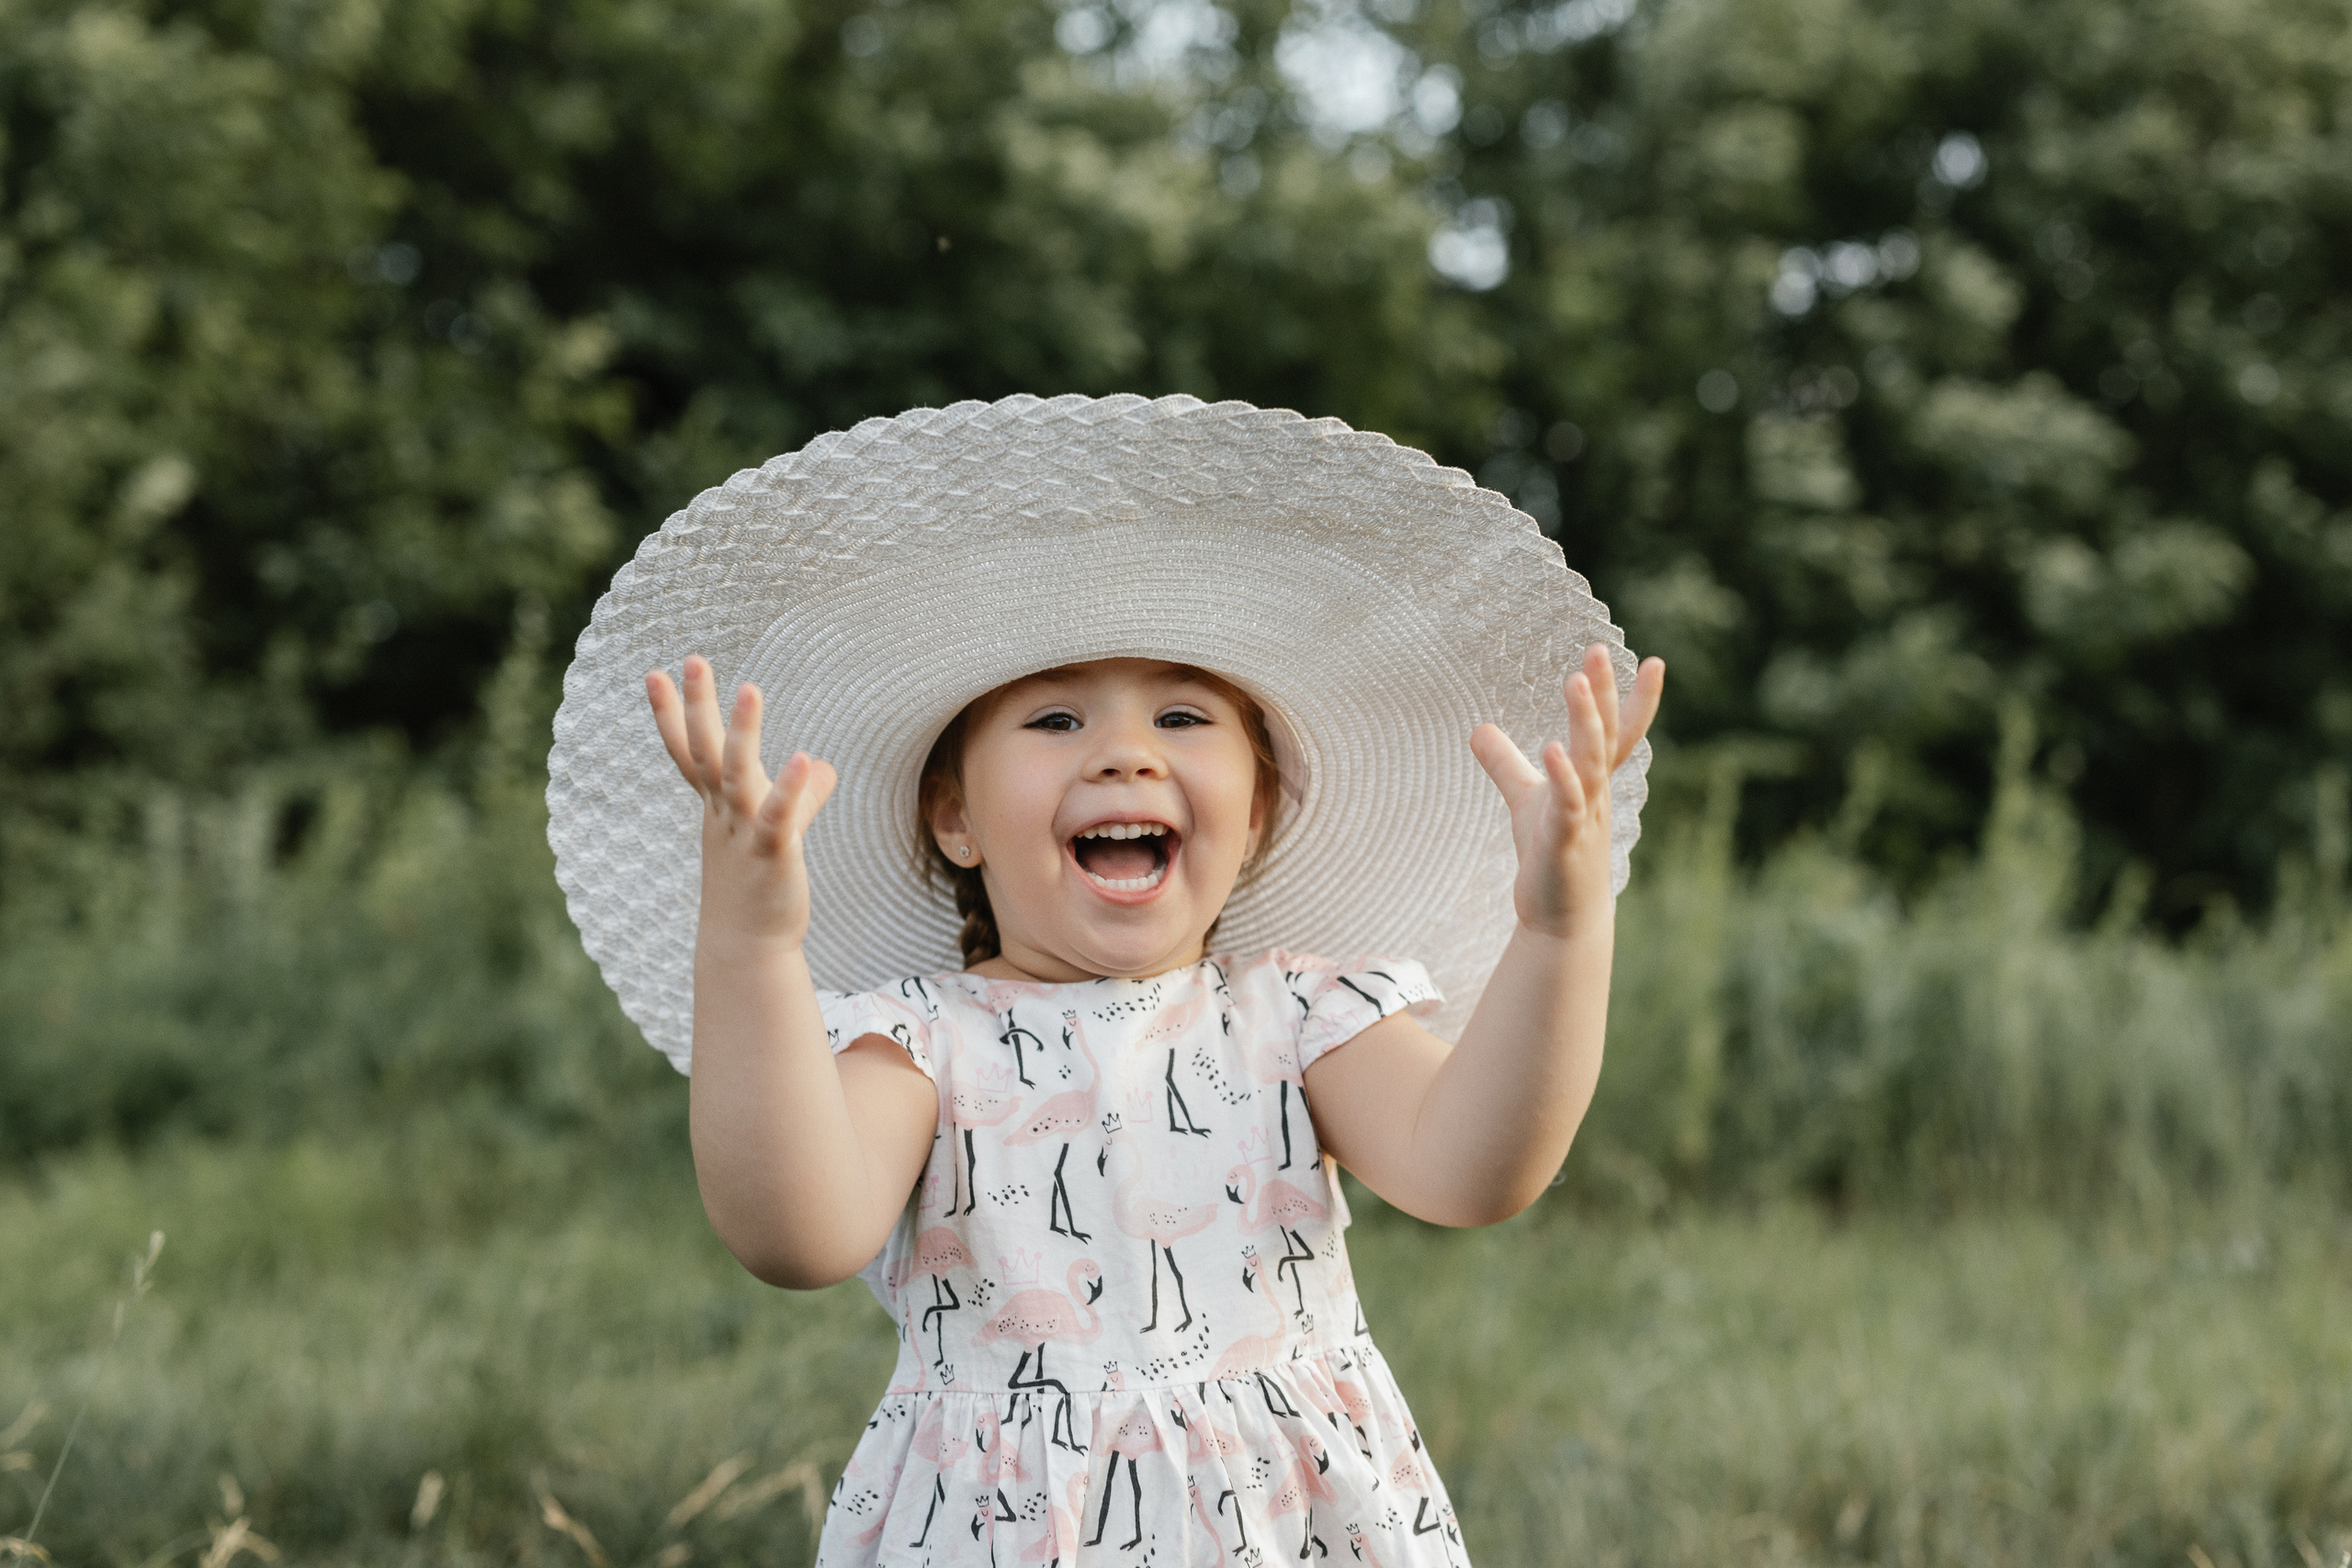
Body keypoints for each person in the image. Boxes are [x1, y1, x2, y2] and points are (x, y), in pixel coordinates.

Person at [548, 394, 1663, 1565]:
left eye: (1181, 715)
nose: (1124, 751)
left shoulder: (1297, 1019)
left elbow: (1474, 1170)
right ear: (954, 816)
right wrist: (754, 948)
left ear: (1260, 809)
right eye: (1054, 719)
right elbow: (795, 1233)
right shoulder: (922, 1044)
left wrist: (1556, 930)